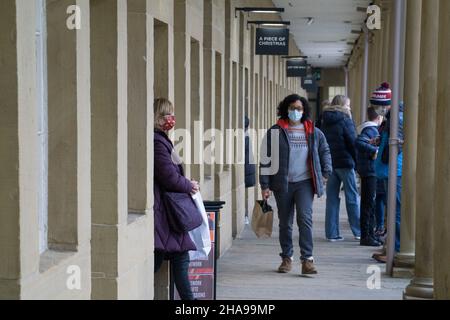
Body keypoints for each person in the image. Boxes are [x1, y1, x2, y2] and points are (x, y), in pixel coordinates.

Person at [259, 94, 332, 275]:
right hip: (282, 184)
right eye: (292, 108)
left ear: (304, 110)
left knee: (305, 219)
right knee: (285, 222)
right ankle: (286, 258)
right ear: (285, 109)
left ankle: (307, 259)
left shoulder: (313, 131)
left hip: (305, 183)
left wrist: (325, 172)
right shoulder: (275, 131)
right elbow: (265, 159)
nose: (296, 112)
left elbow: (324, 151)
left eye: (299, 109)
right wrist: (264, 185)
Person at [153, 98, 199, 300]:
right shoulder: (157, 142)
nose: (171, 119)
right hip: (164, 210)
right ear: (156, 117)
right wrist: (189, 185)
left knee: (177, 255)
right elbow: (168, 177)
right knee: (164, 256)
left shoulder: (161, 139)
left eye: (171, 114)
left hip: (166, 210)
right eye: (166, 115)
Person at [370, 83, 404, 263]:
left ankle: (396, 249)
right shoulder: (390, 118)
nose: (378, 109)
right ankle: (390, 247)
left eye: (380, 105)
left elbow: (397, 145)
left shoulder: (396, 118)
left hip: (395, 170)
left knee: (396, 210)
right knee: (392, 210)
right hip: (389, 170)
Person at [321, 95, 361, 242]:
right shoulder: (346, 120)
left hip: (331, 164)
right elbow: (352, 143)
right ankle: (358, 231)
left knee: (331, 198)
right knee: (352, 197)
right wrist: (358, 163)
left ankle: (331, 233)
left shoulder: (325, 120)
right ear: (343, 105)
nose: (350, 108)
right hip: (345, 164)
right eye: (348, 105)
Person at [356, 107, 384, 247]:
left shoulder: (367, 128)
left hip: (368, 170)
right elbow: (360, 143)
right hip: (369, 170)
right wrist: (376, 150)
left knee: (369, 204)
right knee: (368, 204)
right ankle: (366, 235)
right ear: (379, 117)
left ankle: (370, 235)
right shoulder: (371, 130)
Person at [245, 116, 256, 224]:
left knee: (243, 197)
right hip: (248, 170)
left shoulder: (244, 137)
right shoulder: (247, 135)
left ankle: (245, 216)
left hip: (246, 171)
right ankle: (245, 216)